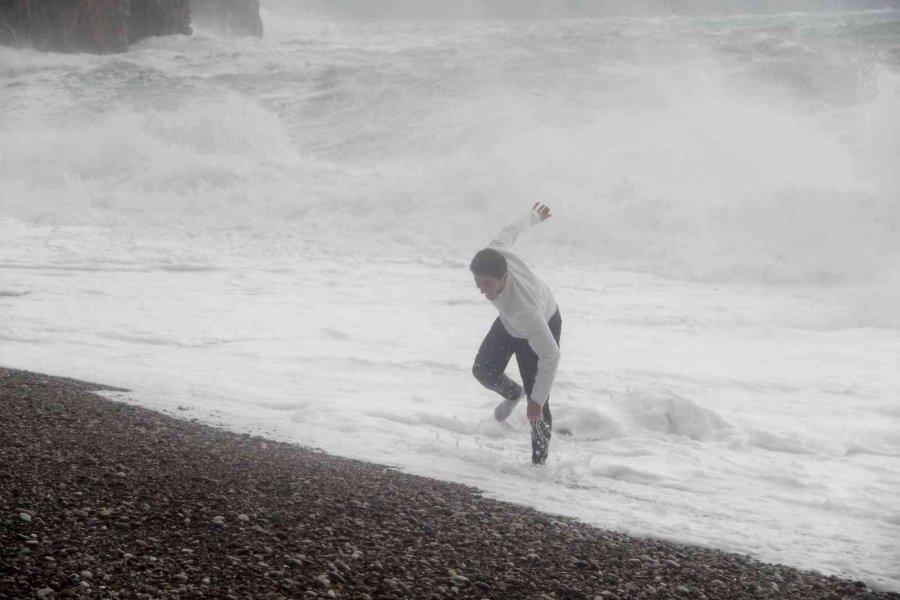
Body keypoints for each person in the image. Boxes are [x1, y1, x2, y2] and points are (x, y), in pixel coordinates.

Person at [470, 203, 561, 465]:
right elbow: (511, 230)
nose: (482, 291)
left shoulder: (525, 310)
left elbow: (551, 355)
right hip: (510, 323)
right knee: (483, 371)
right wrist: (534, 216)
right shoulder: (494, 253)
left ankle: (538, 466)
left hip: (543, 321)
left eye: (487, 284)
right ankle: (513, 393)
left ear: (504, 277)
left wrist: (537, 399)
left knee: (538, 407)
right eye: (477, 282)